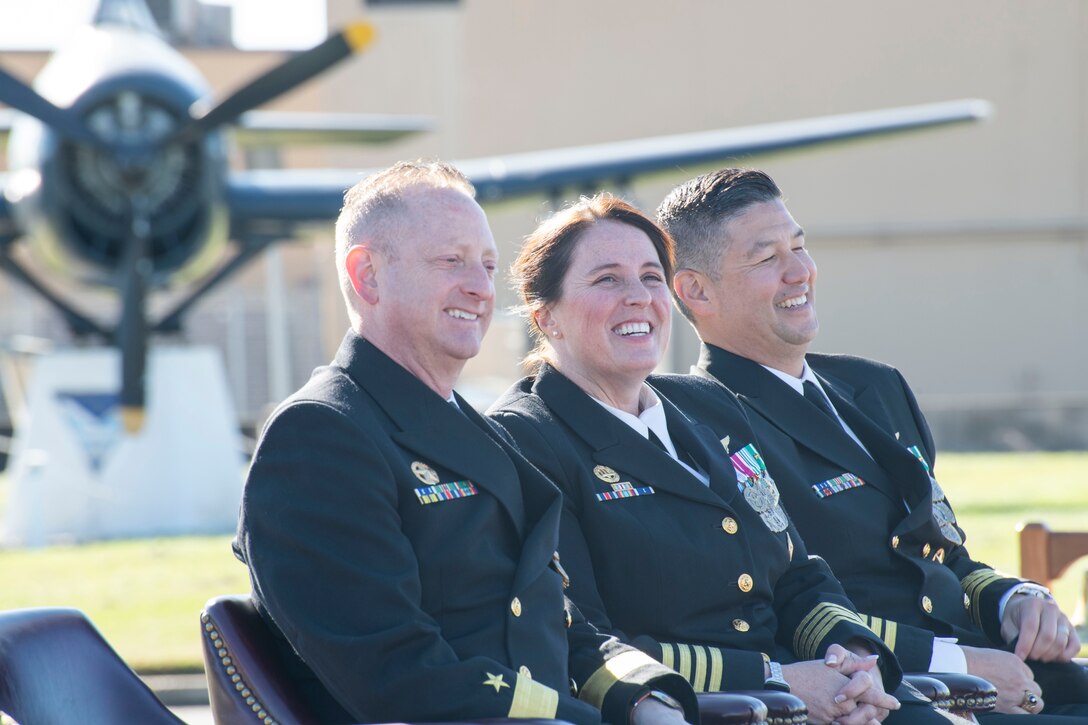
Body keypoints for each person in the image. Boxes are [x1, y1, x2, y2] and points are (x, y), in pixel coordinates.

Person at [233, 161, 697, 725]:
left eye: (488, 265)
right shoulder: (320, 436)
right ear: (367, 275)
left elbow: (560, 625)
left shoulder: (471, 428)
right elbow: (398, 674)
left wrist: (646, 698)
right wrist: (575, 716)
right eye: (451, 261)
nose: (480, 288)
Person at [487, 193, 970, 725]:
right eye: (607, 280)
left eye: (651, 277)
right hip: (706, 707)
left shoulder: (707, 405)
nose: (639, 298)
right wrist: (775, 679)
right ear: (546, 316)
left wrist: (851, 655)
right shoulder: (524, 437)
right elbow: (584, 636)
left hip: (825, 691)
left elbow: (796, 573)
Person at [653, 167, 1088, 720]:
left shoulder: (875, 386)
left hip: (997, 661)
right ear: (695, 291)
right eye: (766, 259)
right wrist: (958, 662)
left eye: (799, 247)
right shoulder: (699, 421)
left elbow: (942, 556)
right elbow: (781, 604)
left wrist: (1014, 599)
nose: (800, 271)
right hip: (886, 689)